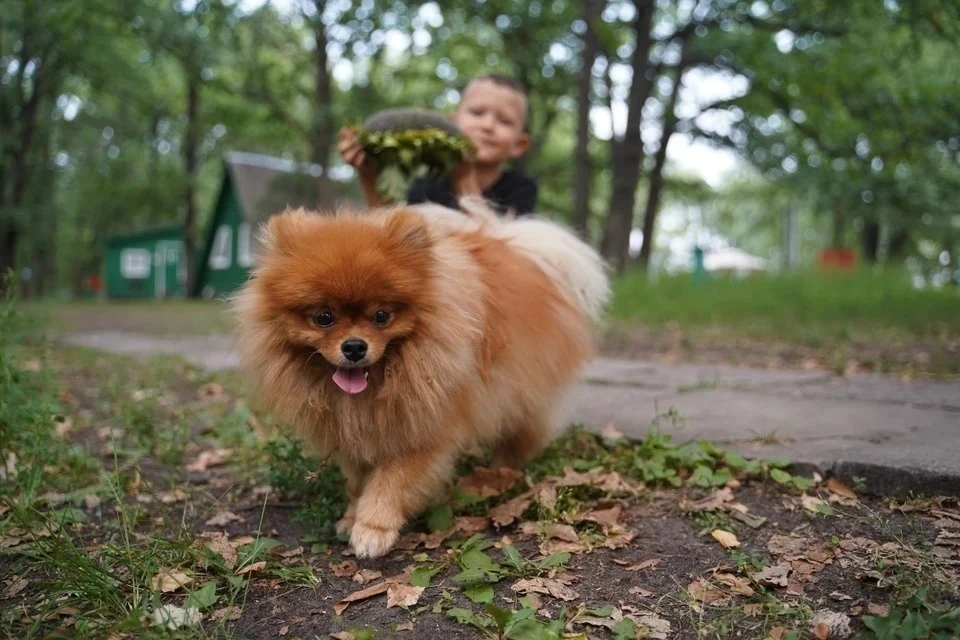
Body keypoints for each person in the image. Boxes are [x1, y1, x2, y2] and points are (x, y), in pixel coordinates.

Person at [338, 73, 538, 217]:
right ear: (451, 123)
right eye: (477, 113)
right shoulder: (427, 185)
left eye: (504, 121)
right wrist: (368, 176)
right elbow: (400, 237)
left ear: (519, 145)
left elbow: (499, 247)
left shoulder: (521, 188)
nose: (488, 126)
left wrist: (463, 177)